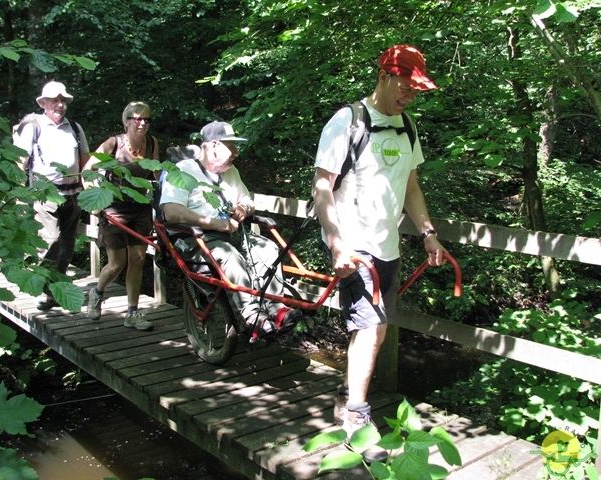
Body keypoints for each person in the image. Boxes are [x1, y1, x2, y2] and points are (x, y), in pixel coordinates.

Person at [312, 45, 447, 460]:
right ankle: (356, 417)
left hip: (388, 247)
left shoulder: (407, 125)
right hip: (353, 246)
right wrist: (336, 245)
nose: (411, 96)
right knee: (372, 330)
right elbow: (321, 189)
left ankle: (346, 392)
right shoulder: (347, 121)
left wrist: (428, 232)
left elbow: (409, 185)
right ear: (386, 76)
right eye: (407, 87)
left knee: (375, 328)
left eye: (416, 90)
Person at [159, 121, 301, 338]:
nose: (236, 152)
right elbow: (171, 211)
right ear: (214, 145)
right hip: (194, 237)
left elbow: (247, 199)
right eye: (231, 146)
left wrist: (244, 207)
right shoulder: (181, 172)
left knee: (268, 249)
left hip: (231, 233)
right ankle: (251, 316)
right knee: (231, 258)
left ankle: (276, 309)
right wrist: (215, 223)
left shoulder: (231, 171)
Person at [83, 101, 160, 331]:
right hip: (115, 208)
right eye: (137, 118)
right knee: (117, 264)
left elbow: (156, 173)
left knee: (137, 260)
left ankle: (132, 313)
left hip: (140, 208)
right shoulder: (112, 144)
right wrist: (95, 200)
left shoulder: (152, 143)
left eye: (147, 119)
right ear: (127, 122)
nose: (143, 123)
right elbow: (88, 170)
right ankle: (97, 292)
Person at [14, 81, 89, 310]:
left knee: (67, 242)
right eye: (55, 101)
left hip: (73, 193)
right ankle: (42, 288)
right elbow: (21, 160)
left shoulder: (75, 128)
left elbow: (85, 159)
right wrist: (19, 191)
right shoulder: (34, 127)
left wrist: (91, 185)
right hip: (45, 194)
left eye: (63, 101)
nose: (60, 105)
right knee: (51, 239)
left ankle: (57, 287)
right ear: (43, 103)